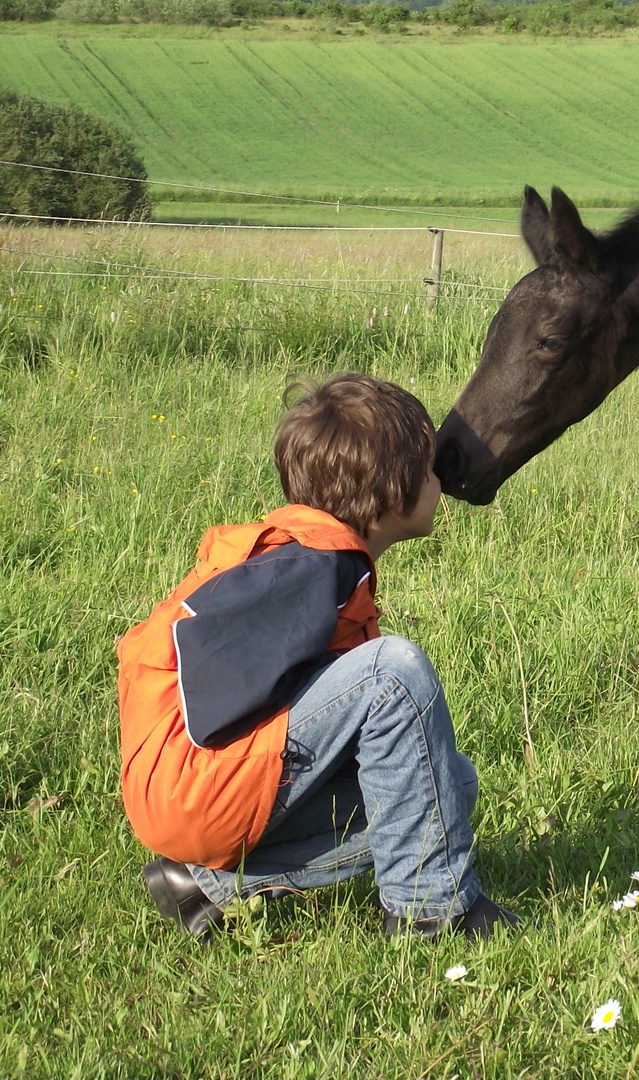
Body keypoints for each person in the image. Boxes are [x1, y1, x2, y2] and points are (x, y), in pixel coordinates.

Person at [117, 373, 517, 941]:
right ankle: (433, 911)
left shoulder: (319, 557)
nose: (439, 480)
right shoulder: (309, 564)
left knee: (445, 782)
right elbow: (208, 670)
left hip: (191, 788)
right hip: (196, 776)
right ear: (387, 493)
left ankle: (203, 885)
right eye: (427, 468)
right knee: (392, 671)